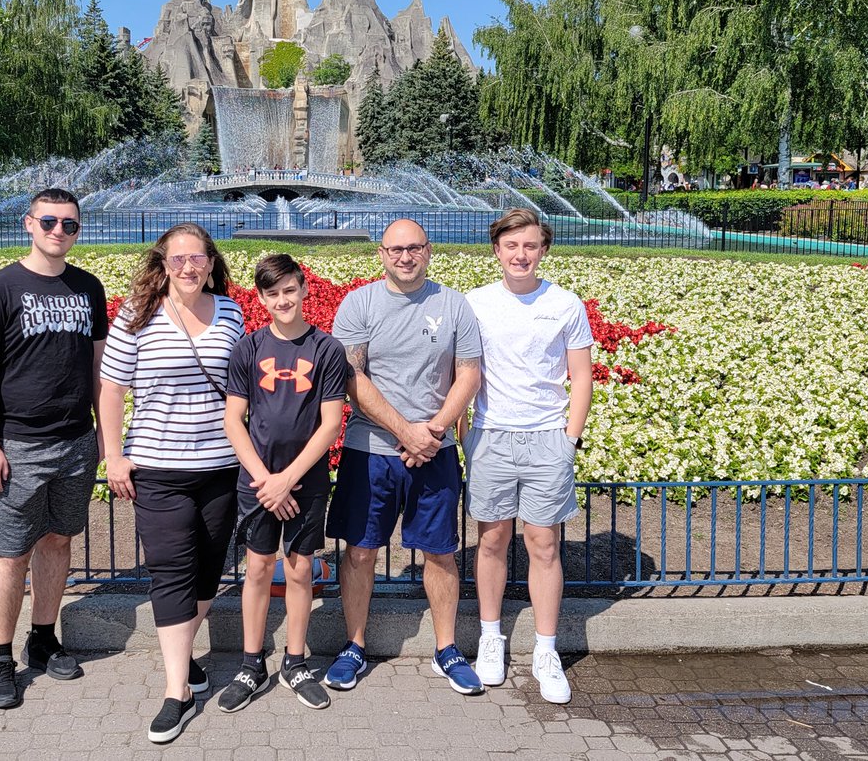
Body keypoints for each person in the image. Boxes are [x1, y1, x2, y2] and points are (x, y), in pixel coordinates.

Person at [324, 218, 484, 695]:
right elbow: (352, 379)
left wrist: (430, 433)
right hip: (369, 448)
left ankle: (446, 649)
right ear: (381, 253)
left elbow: (469, 374)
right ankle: (354, 646)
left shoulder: (453, 304)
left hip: (434, 449)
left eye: (414, 248)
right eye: (395, 249)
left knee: (440, 552)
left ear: (428, 250)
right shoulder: (360, 303)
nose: (405, 257)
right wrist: (404, 432)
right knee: (360, 551)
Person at [99, 223, 244, 744]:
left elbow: (241, 389)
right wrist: (114, 455)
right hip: (158, 468)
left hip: (220, 466)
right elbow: (111, 390)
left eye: (197, 257)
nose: (188, 266)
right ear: (163, 263)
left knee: (207, 569)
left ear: (210, 262)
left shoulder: (230, 312)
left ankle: (184, 661)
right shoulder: (137, 317)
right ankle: (175, 692)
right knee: (171, 571)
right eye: (178, 258)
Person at [0, 188, 108, 710]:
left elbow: (99, 371)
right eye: (49, 221)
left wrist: (105, 439)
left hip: (75, 442)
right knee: (9, 555)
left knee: (57, 542)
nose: (58, 231)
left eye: (69, 224)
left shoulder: (88, 288)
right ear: (29, 224)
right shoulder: (0, 288)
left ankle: (43, 639)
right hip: (19, 444)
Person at [462, 208, 594, 705]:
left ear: (543, 250)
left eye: (531, 246)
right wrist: (466, 436)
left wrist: (569, 439)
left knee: (544, 545)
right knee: (492, 541)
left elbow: (581, 376)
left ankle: (545, 649)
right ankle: (491, 638)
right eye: (512, 246)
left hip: (546, 438)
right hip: (492, 436)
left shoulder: (564, 304)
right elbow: (462, 371)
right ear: (497, 250)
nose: (521, 255)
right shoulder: (474, 304)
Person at [219, 254, 349, 714]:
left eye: (290, 290)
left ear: (304, 289)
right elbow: (234, 420)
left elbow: (330, 423)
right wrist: (264, 480)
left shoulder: (326, 349)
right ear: (261, 298)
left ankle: (295, 662)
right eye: (272, 293)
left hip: (305, 479)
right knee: (256, 570)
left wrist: (288, 480)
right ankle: (250, 664)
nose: (282, 300)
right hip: (257, 479)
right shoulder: (248, 349)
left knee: (298, 570)